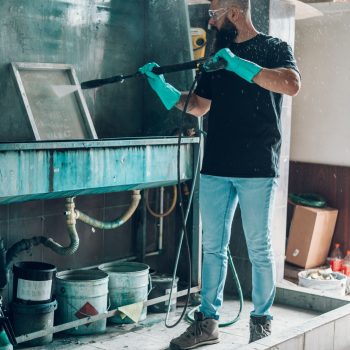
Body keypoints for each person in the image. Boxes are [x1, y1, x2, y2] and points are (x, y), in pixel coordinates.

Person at [139, 0, 301, 348]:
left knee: (259, 247)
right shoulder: (217, 56)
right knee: (212, 247)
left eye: (214, 13)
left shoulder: (274, 48)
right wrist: (161, 88)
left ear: (236, 11)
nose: (210, 21)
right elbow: (198, 105)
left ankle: (261, 323)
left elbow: (290, 84)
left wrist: (240, 65)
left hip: (257, 164)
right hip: (216, 165)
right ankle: (207, 322)